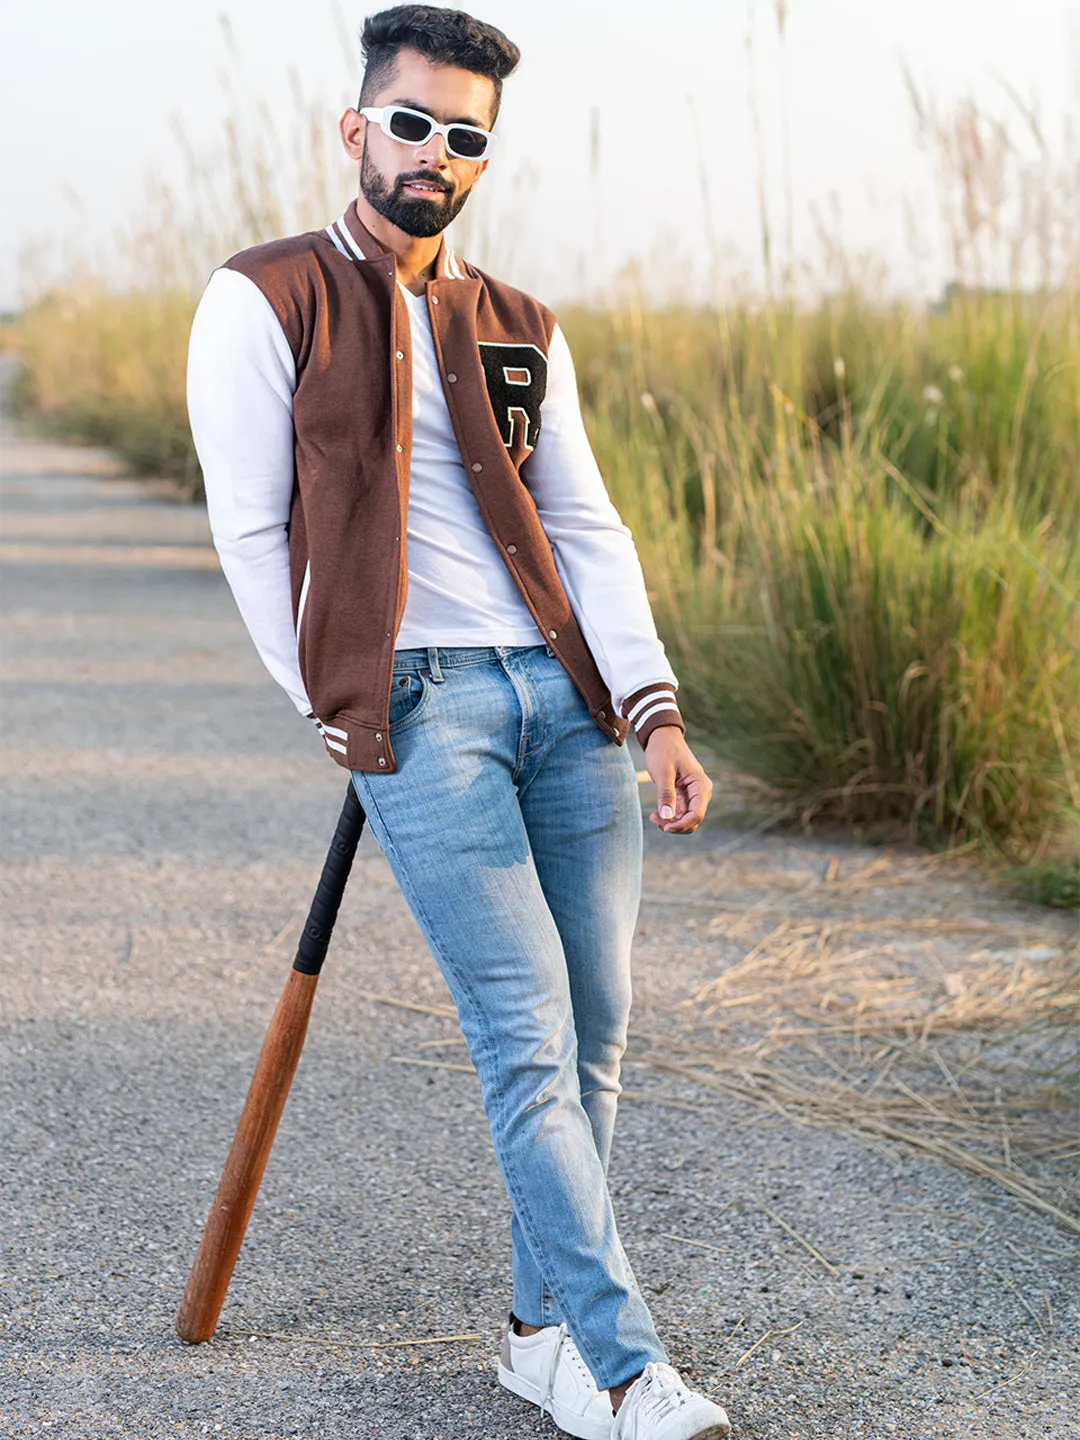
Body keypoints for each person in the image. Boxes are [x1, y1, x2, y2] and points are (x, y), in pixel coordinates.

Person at [186, 6, 730, 1437]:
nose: (436, 152)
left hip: (564, 701)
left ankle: (539, 1334)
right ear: (356, 128)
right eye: (413, 121)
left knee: (596, 1027)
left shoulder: (519, 325)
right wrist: (336, 702)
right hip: (417, 712)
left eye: (466, 135)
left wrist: (655, 708)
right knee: (526, 1031)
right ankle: (622, 1366)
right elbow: (251, 531)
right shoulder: (263, 297)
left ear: (485, 158)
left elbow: (585, 526)